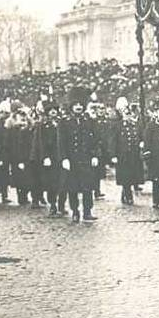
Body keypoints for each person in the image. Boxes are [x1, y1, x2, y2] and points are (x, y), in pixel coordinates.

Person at [57, 87, 102, 222]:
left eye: (80, 105)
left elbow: (95, 139)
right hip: (72, 159)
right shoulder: (64, 122)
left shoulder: (89, 121)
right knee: (72, 187)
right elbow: (61, 142)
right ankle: (75, 211)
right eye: (75, 105)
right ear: (71, 106)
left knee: (87, 186)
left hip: (86, 158)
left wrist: (95, 155)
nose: (78, 107)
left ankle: (87, 211)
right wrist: (64, 158)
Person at [30, 101, 65, 216]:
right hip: (50, 157)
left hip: (61, 156)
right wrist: (45, 157)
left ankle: (62, 205)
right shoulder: (43, 126)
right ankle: (53, 205)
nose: (53, 112)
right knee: (52, 183)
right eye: (51, 110)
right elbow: (41, 142)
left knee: (63, 183)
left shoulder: (62, 123)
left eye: (55, 110)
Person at [112, 98, 144, 205]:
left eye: (130, 115)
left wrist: (141, 143)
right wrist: (113, 155)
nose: (128, 117)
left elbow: (140, 137)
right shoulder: (118, 126)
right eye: (126, 115)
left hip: (133, 156)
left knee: (131, 177)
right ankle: (129, 196)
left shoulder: (135, 126)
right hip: (122, 156)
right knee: (125, 177)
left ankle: (124, 195)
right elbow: (113, 141)